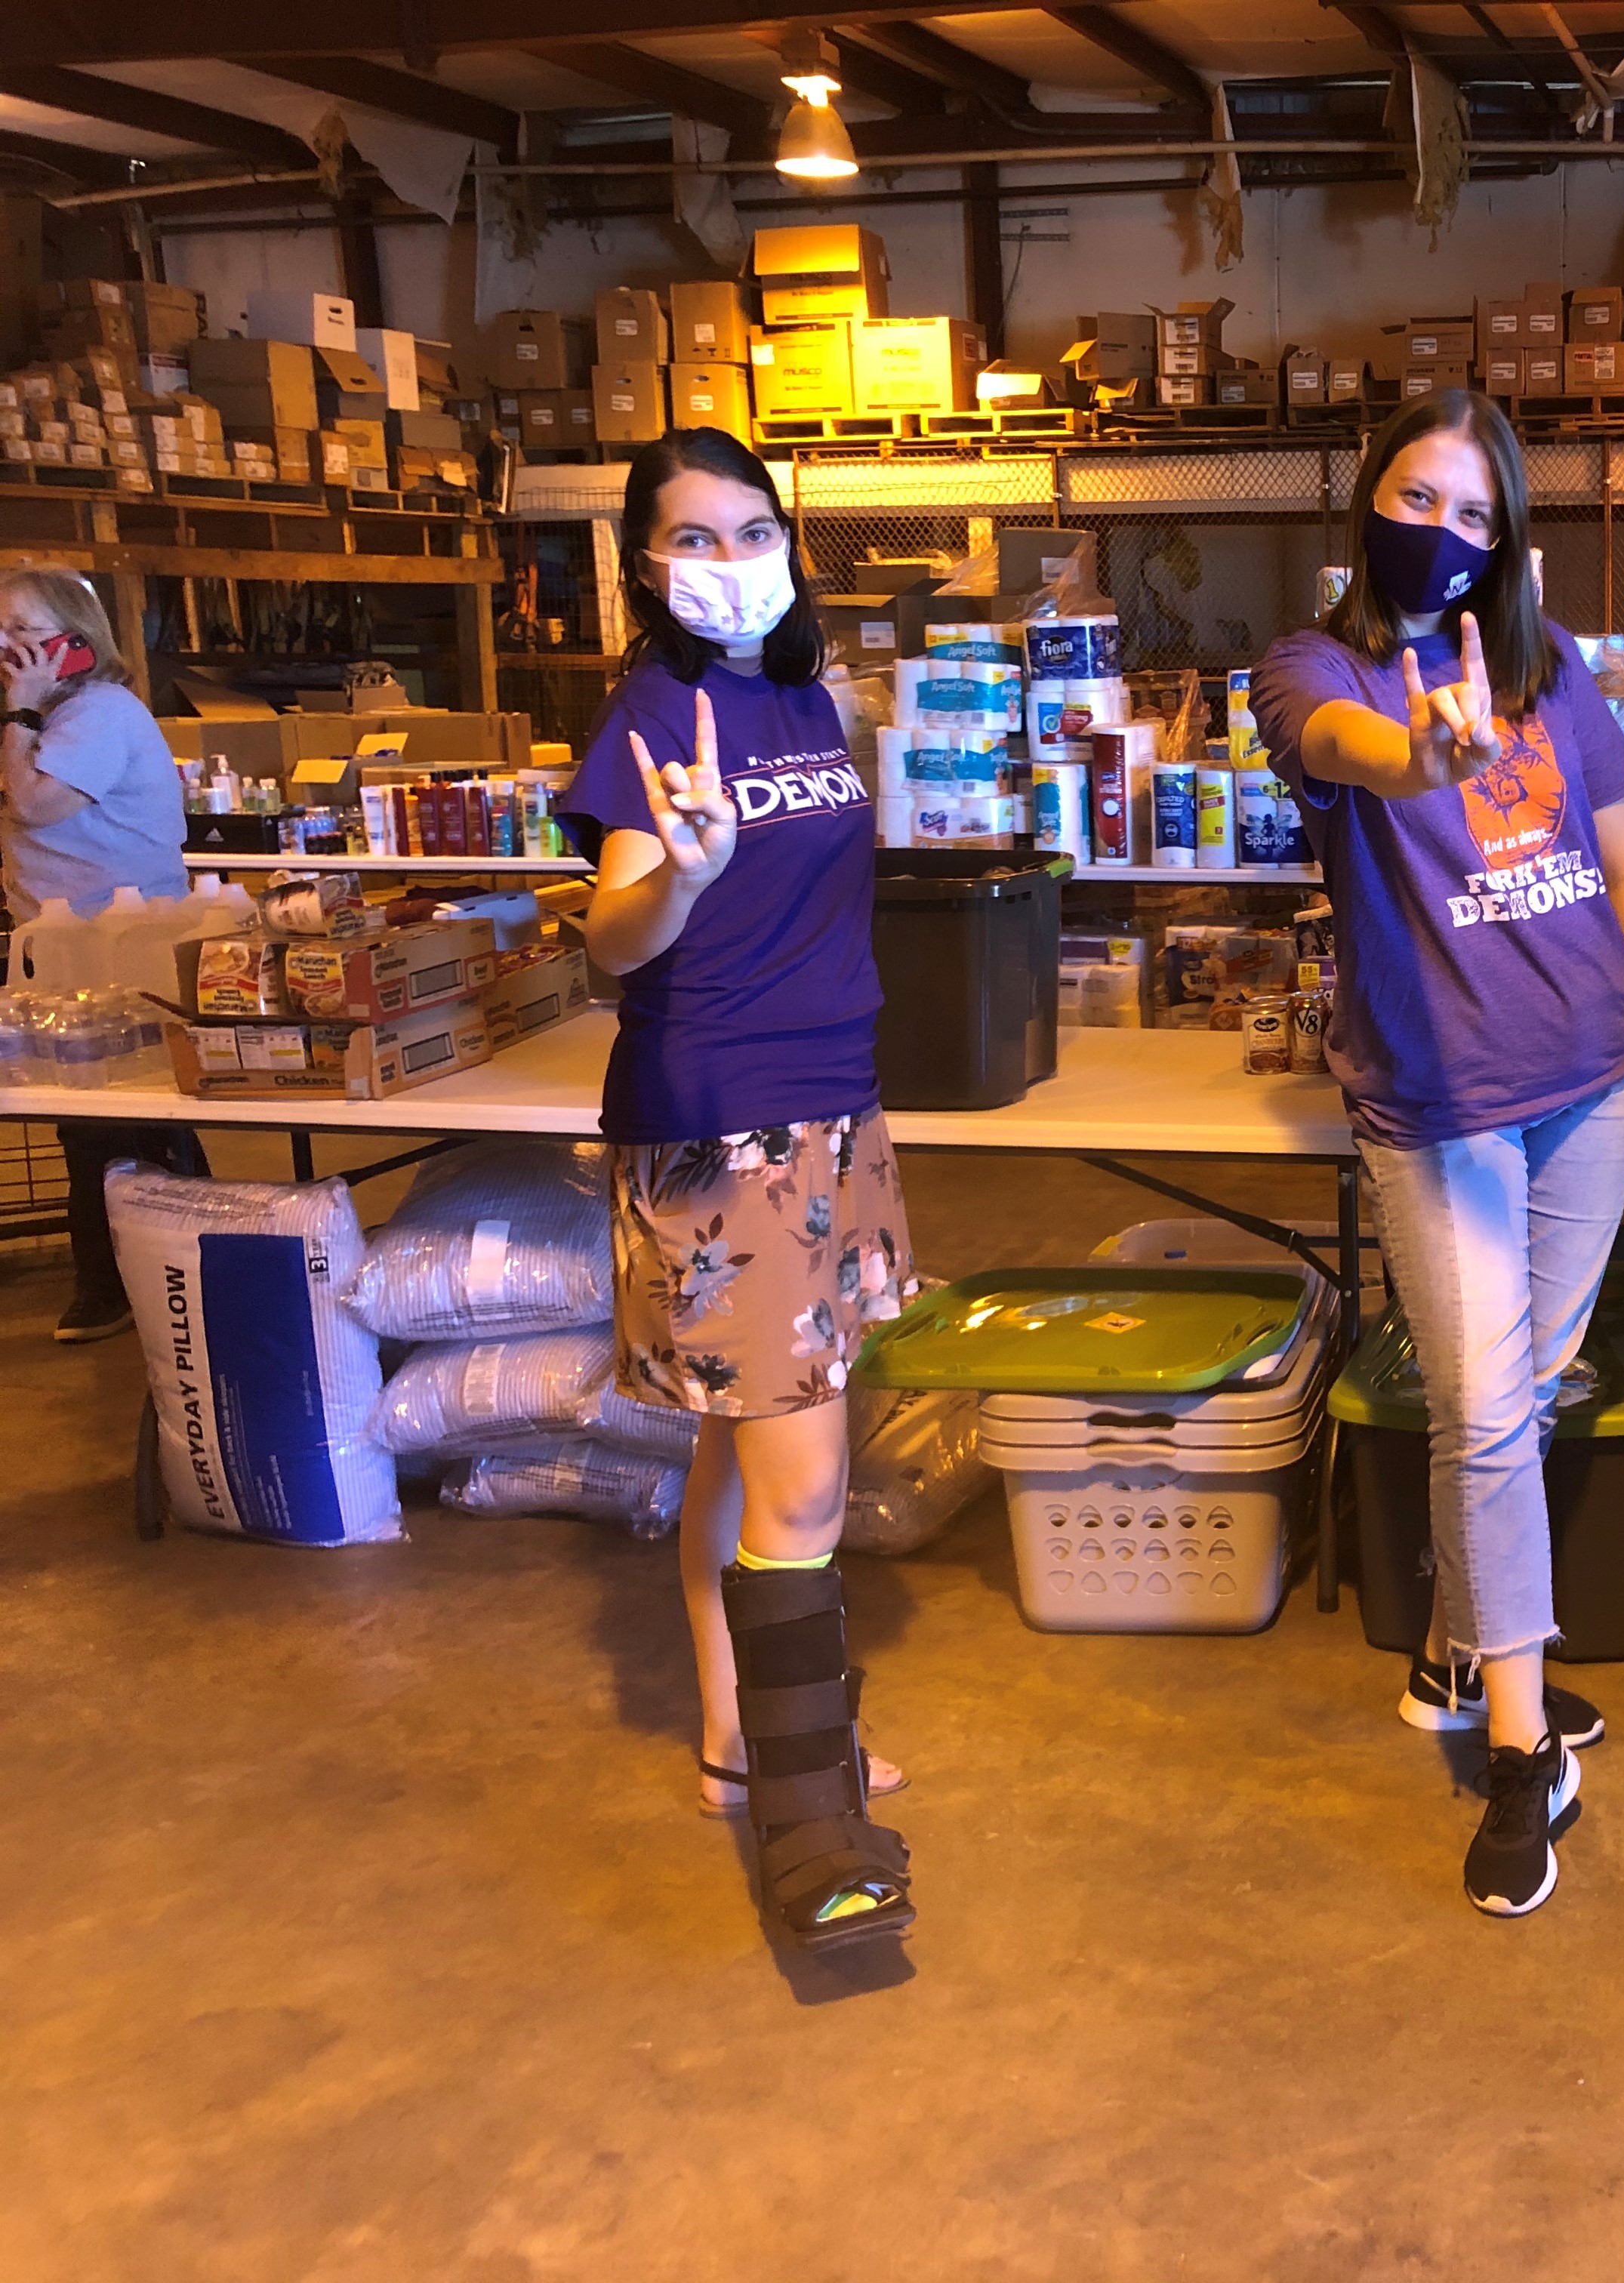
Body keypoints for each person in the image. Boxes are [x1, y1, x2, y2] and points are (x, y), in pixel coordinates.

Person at [1251, 390, 1624, 1918]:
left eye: (1470, 512)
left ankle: (1457, 1652)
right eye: (1413, 496)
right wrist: (1423, 757)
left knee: (1517, 1385)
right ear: (1367, 497)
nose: (1437, 530)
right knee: (1489, 1410)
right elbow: (1344, 750)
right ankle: (1524, 1760)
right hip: (1440, 1103)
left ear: (1504, 537)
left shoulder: (1552, 667)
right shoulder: (1312, 665)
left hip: (1587, 1077)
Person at [554, 429, 919, 1956]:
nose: (725, 559)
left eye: (749, 527)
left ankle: (731, 1735)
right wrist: (680, 880)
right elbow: (612, 940)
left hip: (831, 1106)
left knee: (738, 1455)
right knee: (805, 1490)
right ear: (643, 563)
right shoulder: (654, 714)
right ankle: (804, 1806)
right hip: (724, 1122)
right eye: (689, 538)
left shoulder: (800, 692)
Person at [0, 565, 198, 1342]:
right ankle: (143, 1271)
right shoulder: (34, 719)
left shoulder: (100, 713)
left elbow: (40, 805)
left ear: (72, 643)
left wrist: (19, 714)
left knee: (121, 1118)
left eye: (23, 632)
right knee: (90, 1121)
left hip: (124, 949)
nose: (9, 648)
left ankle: (132, 1279)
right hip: (64, 949)